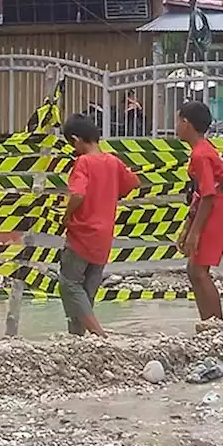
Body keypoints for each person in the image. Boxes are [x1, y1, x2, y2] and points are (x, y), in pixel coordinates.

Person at [58, 114, 139, 337]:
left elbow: (77, 195)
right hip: (104, 236)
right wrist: (111, 192)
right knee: (87, 291)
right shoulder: (113, 162)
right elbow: (133, 182)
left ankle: (97, 333)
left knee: (69, 284)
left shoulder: (83, 162)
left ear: (75, 140)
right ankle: (77, 336)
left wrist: (66, 216)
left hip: (81, 234)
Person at [174, 101, 223, 326]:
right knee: (193, 269)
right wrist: (188, 225)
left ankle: (216, 324)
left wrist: (194, 232)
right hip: (212, 208)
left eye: (178, 120)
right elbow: (201, 194)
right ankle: (208, 322)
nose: (176, 126)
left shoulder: (200, 154)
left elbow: (208, 194)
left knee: (199, 271)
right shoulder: (204, 150)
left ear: (186, 123)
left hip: (215, 211)